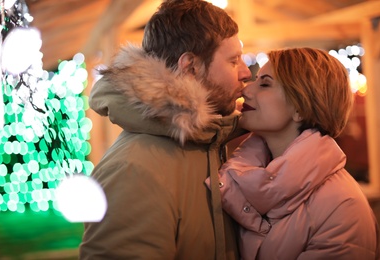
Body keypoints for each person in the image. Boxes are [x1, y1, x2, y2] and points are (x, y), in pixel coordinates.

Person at [79, 0, 252, 259]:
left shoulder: (215, 141)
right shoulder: (133, 171)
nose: (246, 72)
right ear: (190, 67)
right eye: (233, 60)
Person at [211, 47, 380, 259]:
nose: (246, 90)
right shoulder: (238, 178)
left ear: (300, 108)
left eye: (264, 84)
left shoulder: (342, 208)